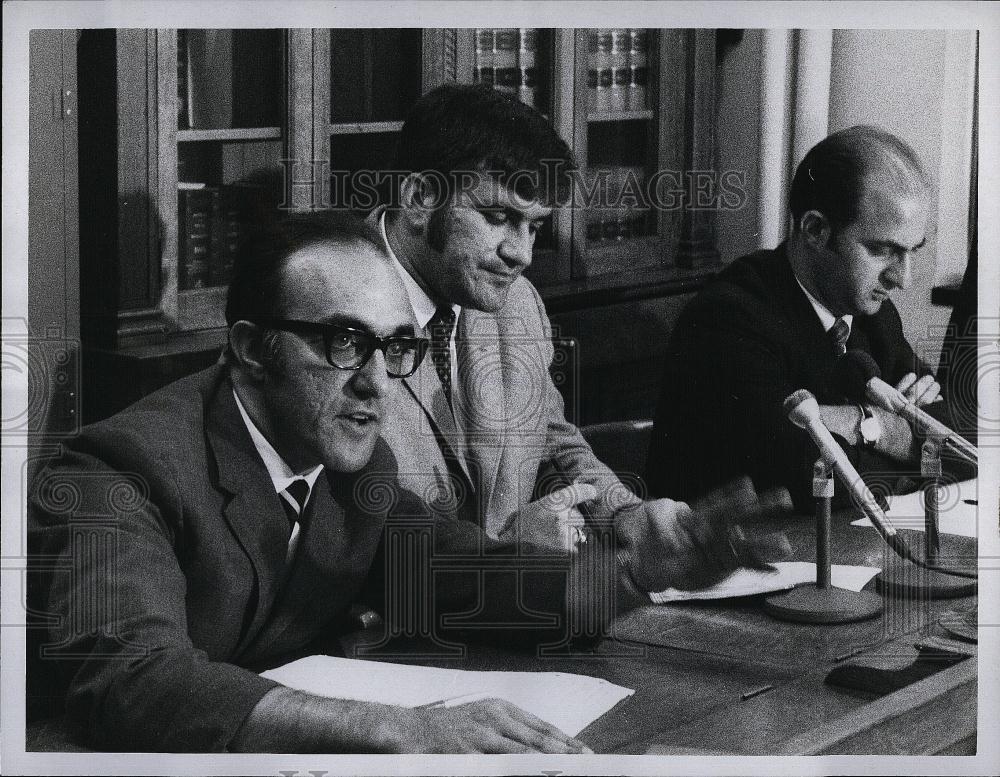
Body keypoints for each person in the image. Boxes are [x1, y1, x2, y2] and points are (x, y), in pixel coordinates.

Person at [27, 210, 779, 753]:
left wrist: (638, 571)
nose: (377, 383)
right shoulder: (118, 470)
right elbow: (132, 679)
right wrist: (394, 725)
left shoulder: (355, 466)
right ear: (252, 349)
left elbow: (473, 580)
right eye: (346, 341)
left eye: (396, 347)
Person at [371, 83, 777, 567]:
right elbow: (338, 535)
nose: (520, 254)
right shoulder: (330, 312)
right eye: (498, 216)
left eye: (535, 227)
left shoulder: (516, 304)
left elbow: (551, 442)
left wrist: (624, 516)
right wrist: (506, 554)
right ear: (419, 198)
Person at [646, 125, 952, 511]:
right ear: (815, 229)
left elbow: (954, 436)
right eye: (881, 250)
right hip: (730, 562)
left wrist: (853, 424)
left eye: (912, 252)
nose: (901, 279)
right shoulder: (727, 316)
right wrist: (884, 428)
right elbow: (804, 481)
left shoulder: (874, 315)